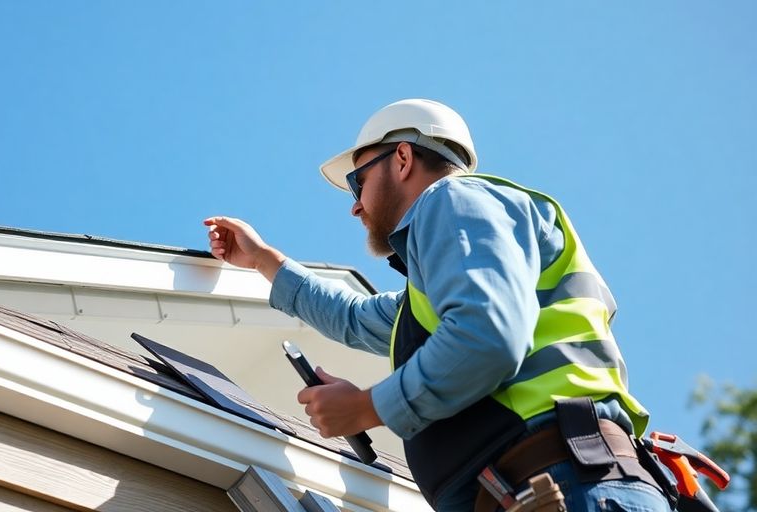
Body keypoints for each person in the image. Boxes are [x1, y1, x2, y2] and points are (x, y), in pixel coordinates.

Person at [204, 99, 675, 511]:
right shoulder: (451, 271)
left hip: (562, 483)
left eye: (357, 182)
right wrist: (265, 261)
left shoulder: (451, 200)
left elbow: (485, 336)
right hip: (555, 486)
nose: (355, 205)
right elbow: (353, 318)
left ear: (403, 158)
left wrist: (367, 408)